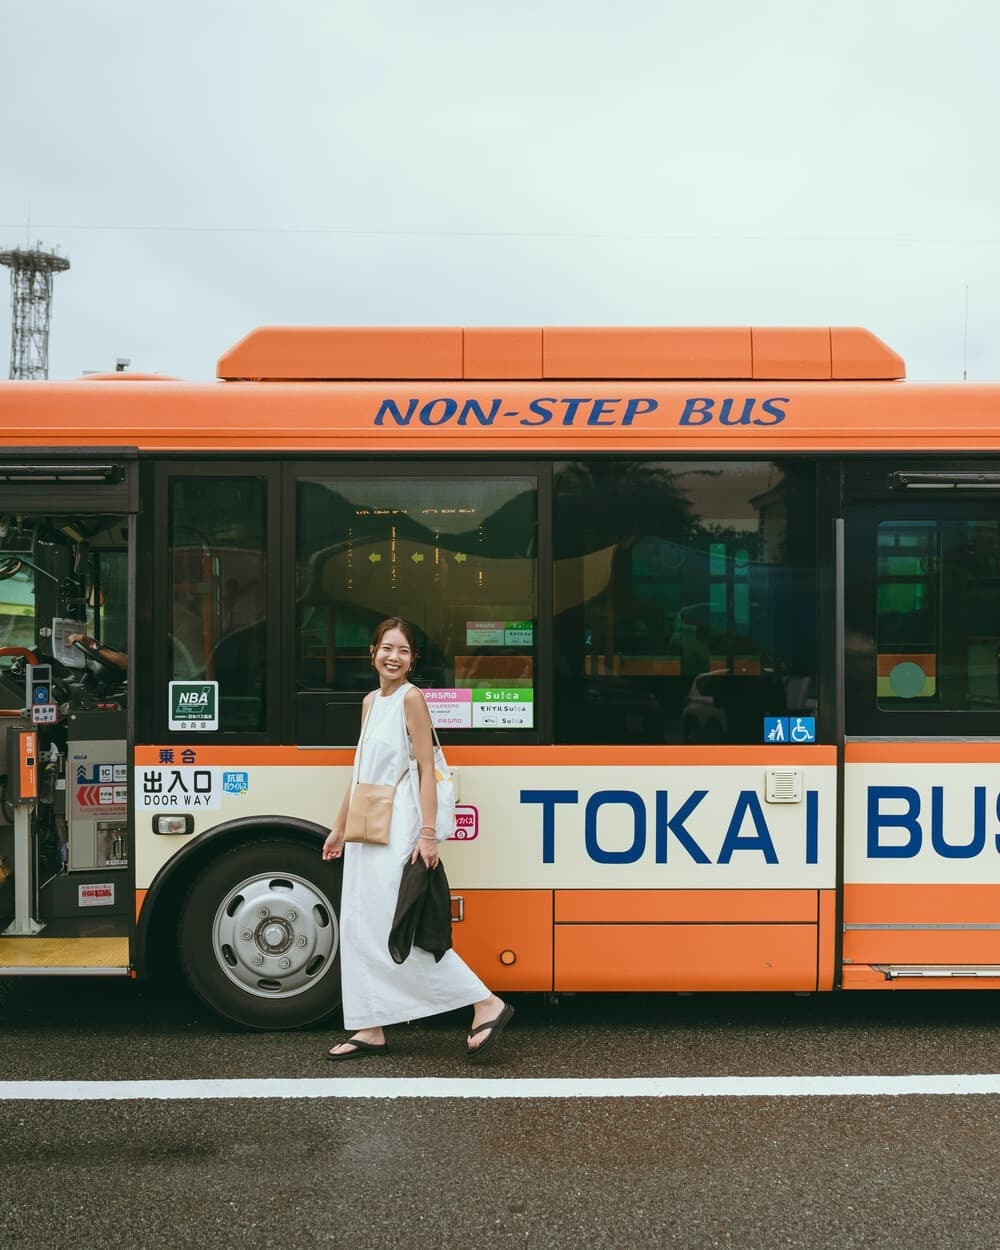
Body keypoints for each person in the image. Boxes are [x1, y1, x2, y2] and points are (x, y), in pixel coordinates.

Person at [322, 616, 514, 1062]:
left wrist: (428, 834)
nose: (394, 657)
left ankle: (484, 1001)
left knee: (395, 925)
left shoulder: (412, 699)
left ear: (413, 660)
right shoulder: (371, 702)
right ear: (372, 652)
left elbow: (427, 770)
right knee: (359, 925)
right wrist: (339, 827)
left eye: (403, 651)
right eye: (387, 648)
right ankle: (370, 1026)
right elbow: (359, 772)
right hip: (367, 828)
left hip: (399, 828)